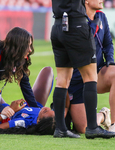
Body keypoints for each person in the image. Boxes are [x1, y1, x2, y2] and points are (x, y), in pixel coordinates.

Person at [50, 0, 115, 139]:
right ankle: (92, 127)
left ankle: (60, 129)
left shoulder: (101, 16)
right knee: (91, 77)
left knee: (62, 80)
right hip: (77, 25)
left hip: (58, 25)